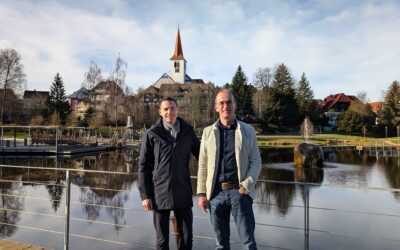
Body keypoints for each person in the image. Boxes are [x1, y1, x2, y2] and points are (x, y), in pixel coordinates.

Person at [197, 89, 261, 250]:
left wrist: (246, 186)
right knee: (221, 244)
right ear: (216, 107)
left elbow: (256, 161)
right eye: (222, 102)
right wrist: (202, 194)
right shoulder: (207, 132)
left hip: (239, 193)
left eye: (229, 102)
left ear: (235, 105)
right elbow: (203, 165)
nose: (226, 105)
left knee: (248, 243)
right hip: (215, 194)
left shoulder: (247, 131)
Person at [138, 97, 200, 250]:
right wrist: (145, 195)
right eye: (165, 109)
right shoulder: (152, 134)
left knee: (187, 240)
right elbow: (143, 167)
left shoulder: (187, 131)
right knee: (162, 242)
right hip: (160, 194)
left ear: (177, 110)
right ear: (160, 112)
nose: (169, 112)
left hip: (183, 191)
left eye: (172, 108)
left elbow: (203, 158)